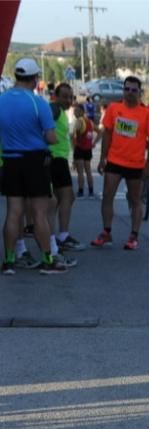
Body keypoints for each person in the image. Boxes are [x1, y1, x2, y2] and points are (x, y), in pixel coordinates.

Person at [0, 58, 66, 275]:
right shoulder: (38, 104)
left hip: (10, 158)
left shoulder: (2, 100)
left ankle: (9, 260)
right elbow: (51, 137)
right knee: (39, 212)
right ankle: (47, 259)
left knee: (13, 212)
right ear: (35, 78)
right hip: (35, 160)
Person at [91, 75, 149, 251]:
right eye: (126, 89)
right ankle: (106, 232)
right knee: (107, 196)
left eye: (133, 90)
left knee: (135, 200)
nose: (129, 93)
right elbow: (107, 133)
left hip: (135, 164)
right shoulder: (114, 109)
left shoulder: (147, 114)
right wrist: (102, 158)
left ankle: (134, 235)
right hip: (114, 160)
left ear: (139, 92)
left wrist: (148, 164)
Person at [49, 83, 81, 257]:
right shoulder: (54, 109)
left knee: (59, 199)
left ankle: (56, 235)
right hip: (55, 159)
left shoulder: (60, 111)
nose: (68, 100)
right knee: (65, 197)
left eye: (70, 97)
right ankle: (60, 236)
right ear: (56, 96)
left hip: (58, 159)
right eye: (65, 96)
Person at [72, 102, 97, 199]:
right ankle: (91, 190)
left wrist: (73, 146)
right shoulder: (90, 122)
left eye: (77, 111)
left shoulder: (79, 121)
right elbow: (100, 131)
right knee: (88, 171)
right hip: (88, 149)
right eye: (74, 111)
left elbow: (72, 135)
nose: (75, 113)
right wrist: (94, 142)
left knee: (80, 172)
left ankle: (81, 190)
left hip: (79, 148)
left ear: (82, 111)